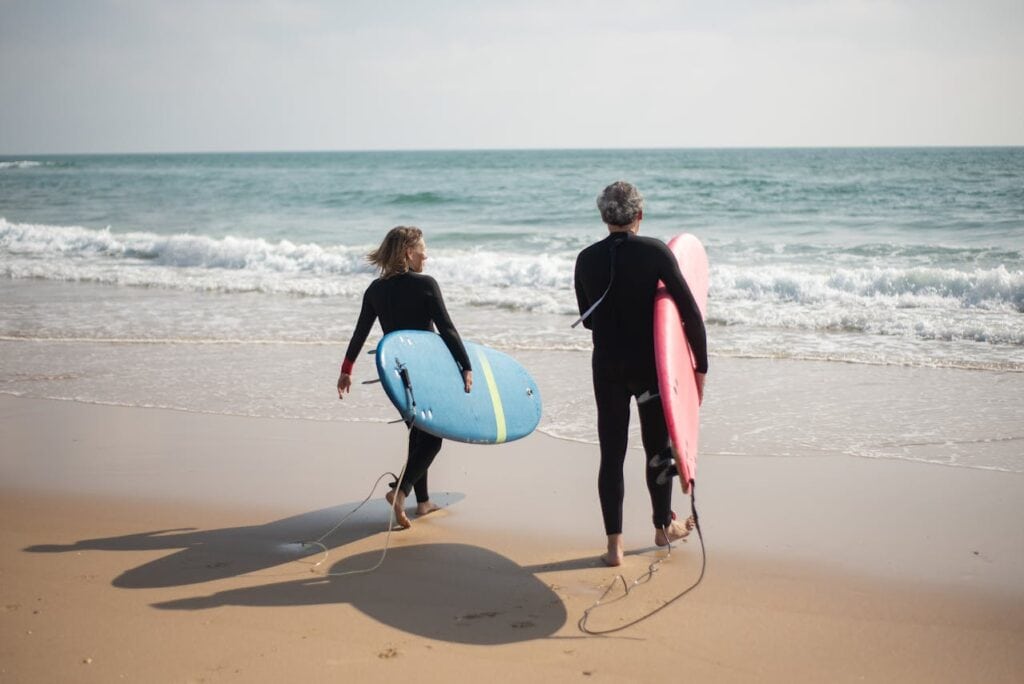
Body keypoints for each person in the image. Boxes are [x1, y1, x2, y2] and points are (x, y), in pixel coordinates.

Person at [574, 181, 709, 566]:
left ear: (604, 217)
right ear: (639, 215)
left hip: (607, 367)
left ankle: (614, 546)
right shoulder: (654, 252)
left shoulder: (586, 258)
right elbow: (689, 311)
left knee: (611, 453)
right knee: (657, 449)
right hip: (650, 368)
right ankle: (662, 528)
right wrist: (700, 366)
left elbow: (587, 319)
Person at [337, 226, 473, 529]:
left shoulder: (375, 290)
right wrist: (465, 365)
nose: (426, 254)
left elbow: (360, 332)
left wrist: (346, 370)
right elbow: (447, 329)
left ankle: (422, 503)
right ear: (409, 252)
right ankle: (401, 492)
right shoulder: (425, 284)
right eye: (422, 248)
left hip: (397, 374)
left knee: (418, 433)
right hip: (427, 370)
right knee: (433, 438)